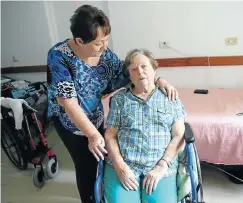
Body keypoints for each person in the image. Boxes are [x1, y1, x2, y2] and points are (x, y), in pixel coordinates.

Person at [47, 5, 179, 203]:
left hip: (95, 116)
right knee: (86, 166)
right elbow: (69, 103)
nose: (105, 47)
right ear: (80, 41)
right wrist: (92, 135)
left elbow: (134, 74)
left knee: (100, 161)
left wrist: (160, 80)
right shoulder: (59, 56)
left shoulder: (105, 55)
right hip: (70, 121)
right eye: (99, 43)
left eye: (106, 40)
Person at [104, 49, 187, 203]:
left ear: (154, 69)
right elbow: (110, 135)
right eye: (134, 69)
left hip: (160, 166)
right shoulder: (119, 99)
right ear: (129, 75)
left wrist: (161, 167)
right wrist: (120, 167)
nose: (140, 72)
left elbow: (179, 135)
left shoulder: (170, 97)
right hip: (125, 165)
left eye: (144, 67)